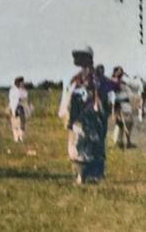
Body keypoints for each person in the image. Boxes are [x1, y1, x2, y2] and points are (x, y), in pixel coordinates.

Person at [58, 46, 106, 184]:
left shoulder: (94, 76)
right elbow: (67, 95)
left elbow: (98, 93)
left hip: (90, 114)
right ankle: (81, 176)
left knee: (90, 145)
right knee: (77, 145)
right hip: (77, 114)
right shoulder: (73, 76)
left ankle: (91, 175)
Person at [110, 66, 135, 149]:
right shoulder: (113, 82)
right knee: (121, 123)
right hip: (119, 104)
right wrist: (113, 110)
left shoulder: (123, 83)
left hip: (125, 104)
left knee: (127, 123)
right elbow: (113, 96)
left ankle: (124, 141)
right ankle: (120, 141)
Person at [8, 76, 33, 143]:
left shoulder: (24, 90)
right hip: (14, 107)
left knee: (22, 122)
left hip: (21, 107)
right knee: (15, 123)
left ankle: (21, 137)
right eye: (22, 82)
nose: (23, 83)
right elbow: (13, 99)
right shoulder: (12, 90)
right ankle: (16, 137)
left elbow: (25, 98)